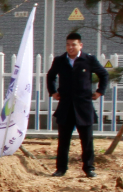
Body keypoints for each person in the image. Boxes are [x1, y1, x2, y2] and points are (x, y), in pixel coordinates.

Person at [46, 32, 109, 178]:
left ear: (80, 45)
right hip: (66, 106)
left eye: (73, 44)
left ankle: (89, 168)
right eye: (68, 44)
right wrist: (53, 92)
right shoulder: (60, 60)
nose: (70, 47)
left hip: (84, 106)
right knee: (63, 141)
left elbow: (104, 75)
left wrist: (100, 91)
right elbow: (50, 76)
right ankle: (61, 168)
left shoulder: (88, 60)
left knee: (87, 141)